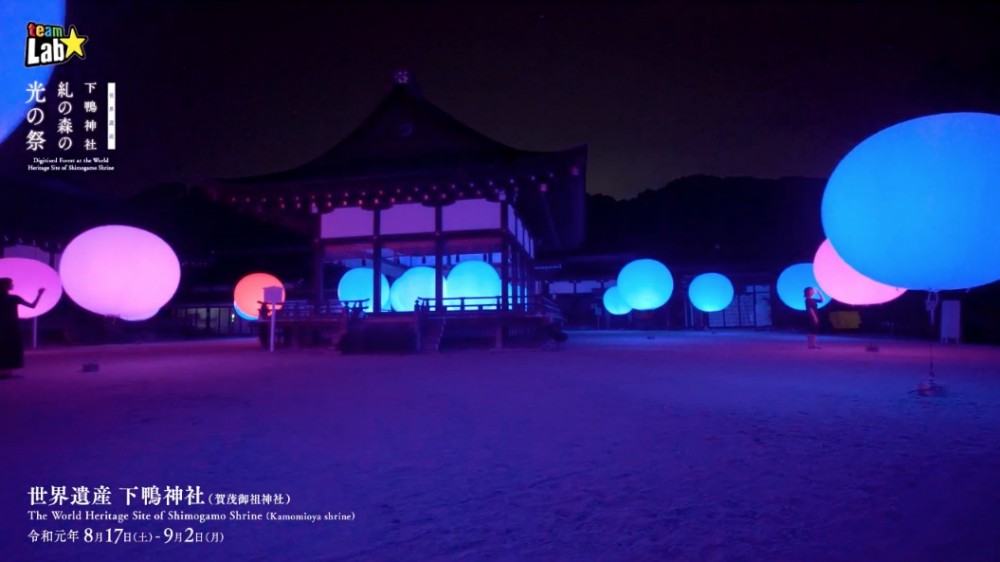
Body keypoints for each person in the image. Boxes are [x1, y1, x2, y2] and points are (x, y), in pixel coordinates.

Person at [0, 278, 45, 377]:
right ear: (6, 286)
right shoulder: (14, 298)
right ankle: (8, 372)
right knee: (12, 348)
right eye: (11, 284)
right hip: (12, 326)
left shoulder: (12, 298)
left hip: (2, 326)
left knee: (2, 348)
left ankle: (3, 372)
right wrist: (40, 294)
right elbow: (33, 306)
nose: (12, 285)